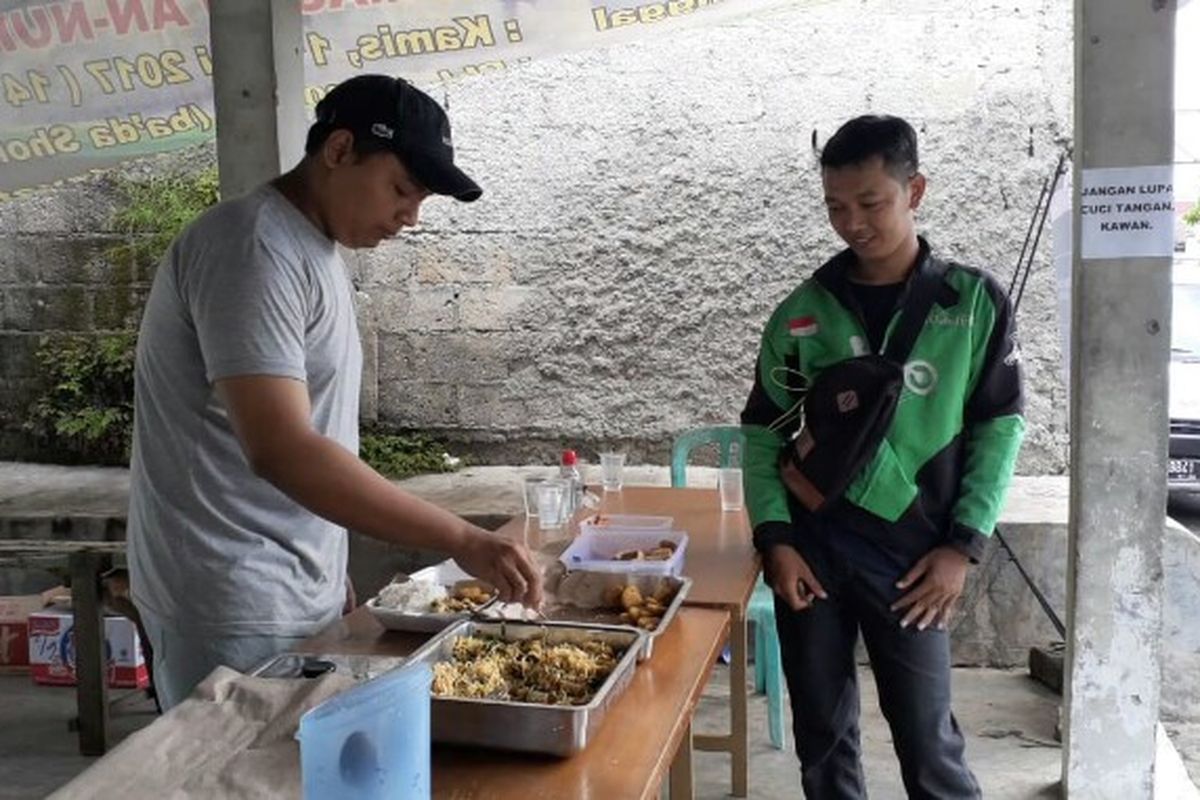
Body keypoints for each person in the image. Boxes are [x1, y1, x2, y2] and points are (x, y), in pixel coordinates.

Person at [127, 74, 543, 711]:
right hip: (233, 601)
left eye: (422, 199)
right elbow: (283, 448)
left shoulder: (310, 248)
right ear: (340, 149)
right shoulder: (252, 247)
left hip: (286, 587)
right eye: (402, 189)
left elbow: (316, 436)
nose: (410, 216)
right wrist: (465, 540)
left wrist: (325, 561)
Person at [740, 115, 1024, 798]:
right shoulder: (803, 314)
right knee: (823, 737)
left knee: (929, 743)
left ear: (914, 189)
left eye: (872, 203)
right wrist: (775, 540)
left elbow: (999, 427)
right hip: (812, 551)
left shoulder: (971, 302)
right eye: (836, 206)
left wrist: (963, 546)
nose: (853, 223)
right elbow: (762, 434)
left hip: (915, 560)